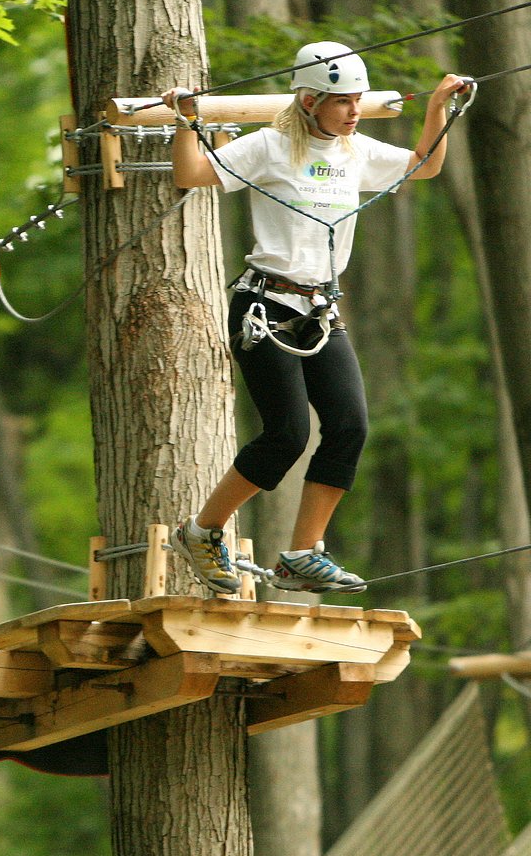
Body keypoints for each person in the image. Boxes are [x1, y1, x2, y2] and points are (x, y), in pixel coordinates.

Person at [161, 43, 469, 595]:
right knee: (287, 435)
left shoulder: (355, 151)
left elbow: (425, 164)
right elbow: (191, 173)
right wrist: (188, 121)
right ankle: (201, 532)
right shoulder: (270, 147)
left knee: (350, 426)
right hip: (265, 304)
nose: (354, 111)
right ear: (308, 101)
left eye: (356, 101)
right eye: (342, 102)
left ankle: (302, 553)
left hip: (320, 309)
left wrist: (438, 106)